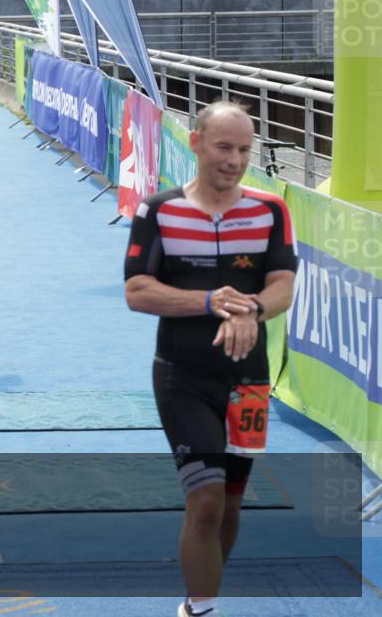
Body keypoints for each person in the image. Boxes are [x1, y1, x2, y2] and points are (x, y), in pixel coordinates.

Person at [123, 101, 298, 617]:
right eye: (224, 147)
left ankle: (201, 597)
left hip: (250, 380)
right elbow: (137, 291)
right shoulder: (157, 211)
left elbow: (283, 285)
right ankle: (200, 610)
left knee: (232, 503)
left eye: (244, 149)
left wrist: (253, 311)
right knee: (205, 500)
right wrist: (208, 301)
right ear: (196, 143)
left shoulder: (271, 211)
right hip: (182, 377)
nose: (235, 160)